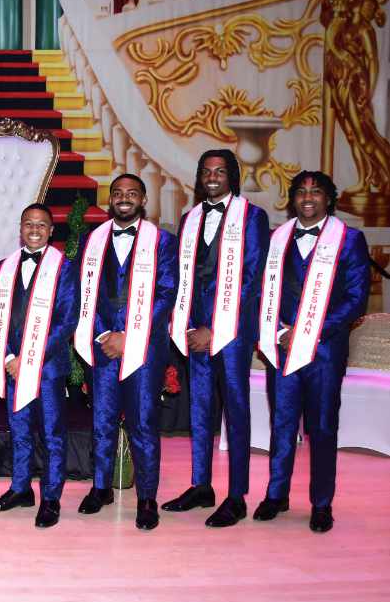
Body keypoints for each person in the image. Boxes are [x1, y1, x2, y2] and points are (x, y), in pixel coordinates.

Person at [253, 171, 370, 533]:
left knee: (322, 428)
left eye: (316, 192)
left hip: (323, 353)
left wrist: (310, 332)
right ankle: (276, 494)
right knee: (282, 425)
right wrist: (276, 332)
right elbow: (261, 293)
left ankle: (321, 503)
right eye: (301, 192)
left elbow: (355, 299)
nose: (307, 198)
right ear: (291, 199)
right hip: (282, 349)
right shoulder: (276, 239)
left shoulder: (349, 240)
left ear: (329, 199)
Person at [162, 149, 270, 527]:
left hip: (233, 332)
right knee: (200, 410)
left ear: (232, 177)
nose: (212, 177)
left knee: (235, 410)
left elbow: (252, 278)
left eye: (220, 171)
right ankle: (200, 485)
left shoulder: (253, 217)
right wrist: (188, 325)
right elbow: (183, 276)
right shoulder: (190, 218)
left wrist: (215, 327)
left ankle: (237, 495)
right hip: (195, 331)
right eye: (206, 171)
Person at [73, 174, 179, 530]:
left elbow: (166, 294)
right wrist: (106, 333)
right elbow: (84, 293)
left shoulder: (162, 241)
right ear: (110, 200)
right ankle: (101, 487)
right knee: (101, 421)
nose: (124, 198)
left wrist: (128, 336)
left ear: (143, 199)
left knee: (143, 423)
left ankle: (147, 498)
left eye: (131, 193)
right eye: (118, 193)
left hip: (144, 349)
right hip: (102, 344)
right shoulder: (93, 240)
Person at [0, 203, 79, 528]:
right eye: (28, 224)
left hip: (47, 368)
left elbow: (66, 321)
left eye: (41, 225)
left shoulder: (63, 267)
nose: (34, 229)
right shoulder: (5, 266)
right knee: (19, 431)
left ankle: (51, 498)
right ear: (20, 228)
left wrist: (31, 358)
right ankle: (21, 489)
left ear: (51, 231)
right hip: (13, 367)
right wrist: (9, 357)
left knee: (52, 435)